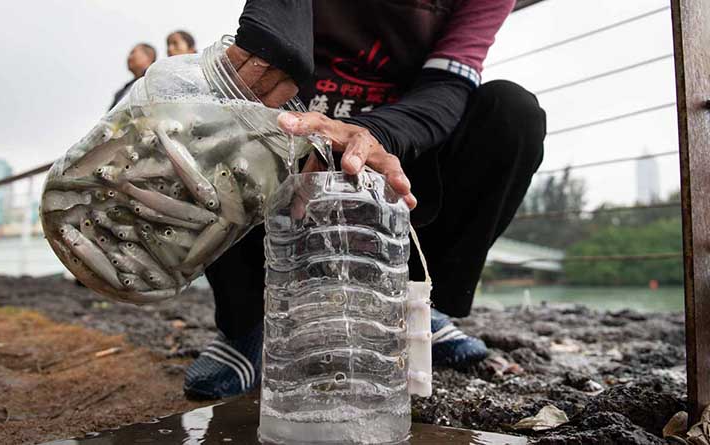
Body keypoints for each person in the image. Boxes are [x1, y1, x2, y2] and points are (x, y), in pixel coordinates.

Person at [185, 0, 546, 399]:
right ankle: (245, 322)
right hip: (292, 118)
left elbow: (450, 82)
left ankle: (415, 303)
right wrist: (269, 45)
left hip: (401, 138)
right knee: (214, 100)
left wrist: (372, 133)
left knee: (512, 114)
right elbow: (277, 19)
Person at [109, 43, 157, 110]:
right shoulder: (124, 90)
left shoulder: (155, 82)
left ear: (149, 57)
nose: (129, 57)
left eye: (132, 53)